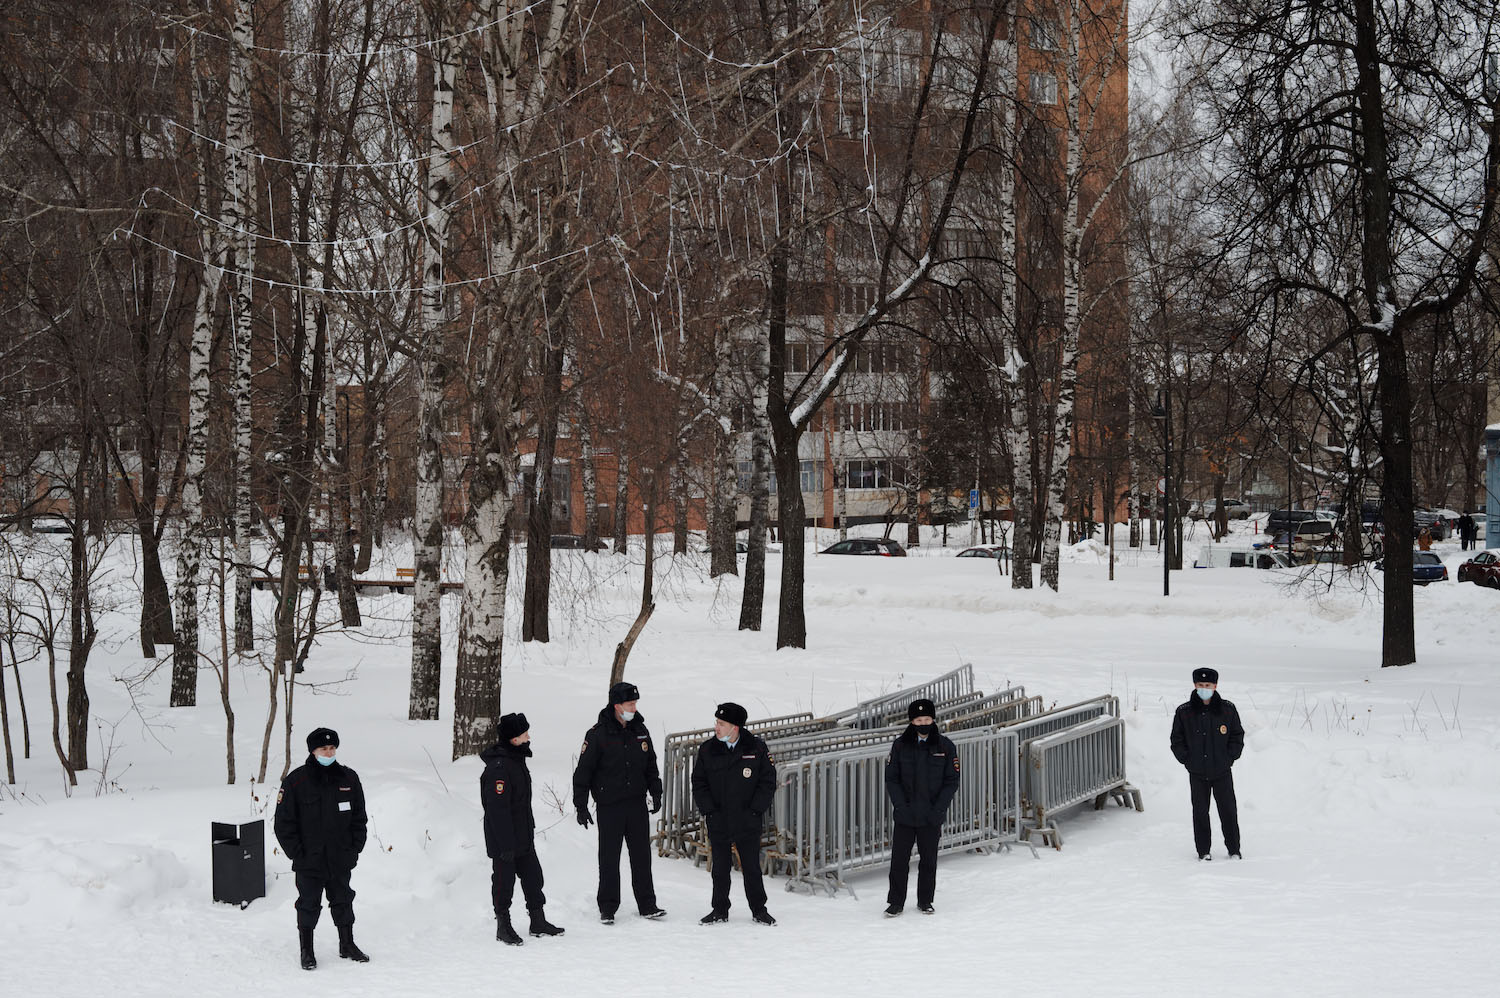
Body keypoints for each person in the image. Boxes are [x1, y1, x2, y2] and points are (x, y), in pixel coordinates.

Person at [273, 726, 370, 970]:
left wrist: (353, 849)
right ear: (312, 751)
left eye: (332, 748)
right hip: (310, 860)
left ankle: (346, 943)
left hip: (340, 857)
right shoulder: (296, 781)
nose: (328, 752)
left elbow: (359, 818)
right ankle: (307, 950)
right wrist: (298, 854)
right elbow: (283, 824)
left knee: (343, 900)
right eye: (323, 748)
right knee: (308, 904)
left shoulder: (349, 778)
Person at [573, 680, 667, 924]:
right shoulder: (597, 734)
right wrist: (580, 804)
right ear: (616, 705)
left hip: (635, 804)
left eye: (635, 703)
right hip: (610, 805)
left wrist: (656, 792)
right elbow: (583, 772)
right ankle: (607, 906)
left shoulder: (640, 731)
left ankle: (647, 904)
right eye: (629, 703)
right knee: (609, 858)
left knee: (641, 857)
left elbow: (651, 765)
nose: (633, 708)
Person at [480, 713, 565, 945]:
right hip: (504, 841)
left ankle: (538, 920)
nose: (529, 737)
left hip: (523, 835)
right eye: (524, 734)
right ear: (513, 739)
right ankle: (503, 925)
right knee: (503, 883)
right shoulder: (499, 768)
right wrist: (506, 845)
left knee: (533, 878)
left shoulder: (516, 761)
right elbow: (497, 811)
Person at [691, 702, 777, 926]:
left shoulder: (755, 748)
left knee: (751, 867)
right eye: (716, 723)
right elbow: (699, 782)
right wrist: (709, 811)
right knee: (719, 868)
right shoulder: (708, 749)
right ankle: (719, 910)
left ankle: (759, 910)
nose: (716, 727)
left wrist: (755, 810)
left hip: (747, 819)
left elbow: (767, 782)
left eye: (721, 724)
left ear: (735, 727)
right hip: (719, 818)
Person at [883, 698, 960, 917]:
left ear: (933, 719)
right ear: (911, 721)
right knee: (899, 860)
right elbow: (892, 779)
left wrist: (939, 809)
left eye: (926, 719)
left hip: (931, 815)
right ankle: (896, 902)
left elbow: (951, 781)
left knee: (929, 861)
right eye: (918, 719)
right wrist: (900, 805)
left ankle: (925, 900)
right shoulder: (900, 745)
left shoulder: (945, 746)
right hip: (905, 814)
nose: (923, 723)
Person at [1169, 669, 1245, 861]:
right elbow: (1177, 740)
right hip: (1197, 773)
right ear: (1195, 686)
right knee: (1200, 812)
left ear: (1215, 686)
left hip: (1222, 772)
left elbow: (1237, 735)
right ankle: (1203, 851)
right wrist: (1187, 759)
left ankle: (1234, 849)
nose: (1205, 689)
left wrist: (1230, 757)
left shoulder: (1227, 710)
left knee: (1228, 811)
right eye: (1201, 686)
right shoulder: (1184, 712)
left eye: (1208, 686)